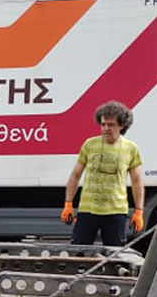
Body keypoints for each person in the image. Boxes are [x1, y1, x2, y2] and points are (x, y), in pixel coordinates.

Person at [62, 100, 145, 247]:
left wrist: (139, 211)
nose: (106, 128)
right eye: (103, 124)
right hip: (88, 210)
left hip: (116, 212)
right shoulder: (89, 144)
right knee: (79, 252)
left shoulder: (131, 148)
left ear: (122, 125)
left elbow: (137, 181)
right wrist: (68, 203)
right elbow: (75, 175)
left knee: (115, 256)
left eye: (111, 125)